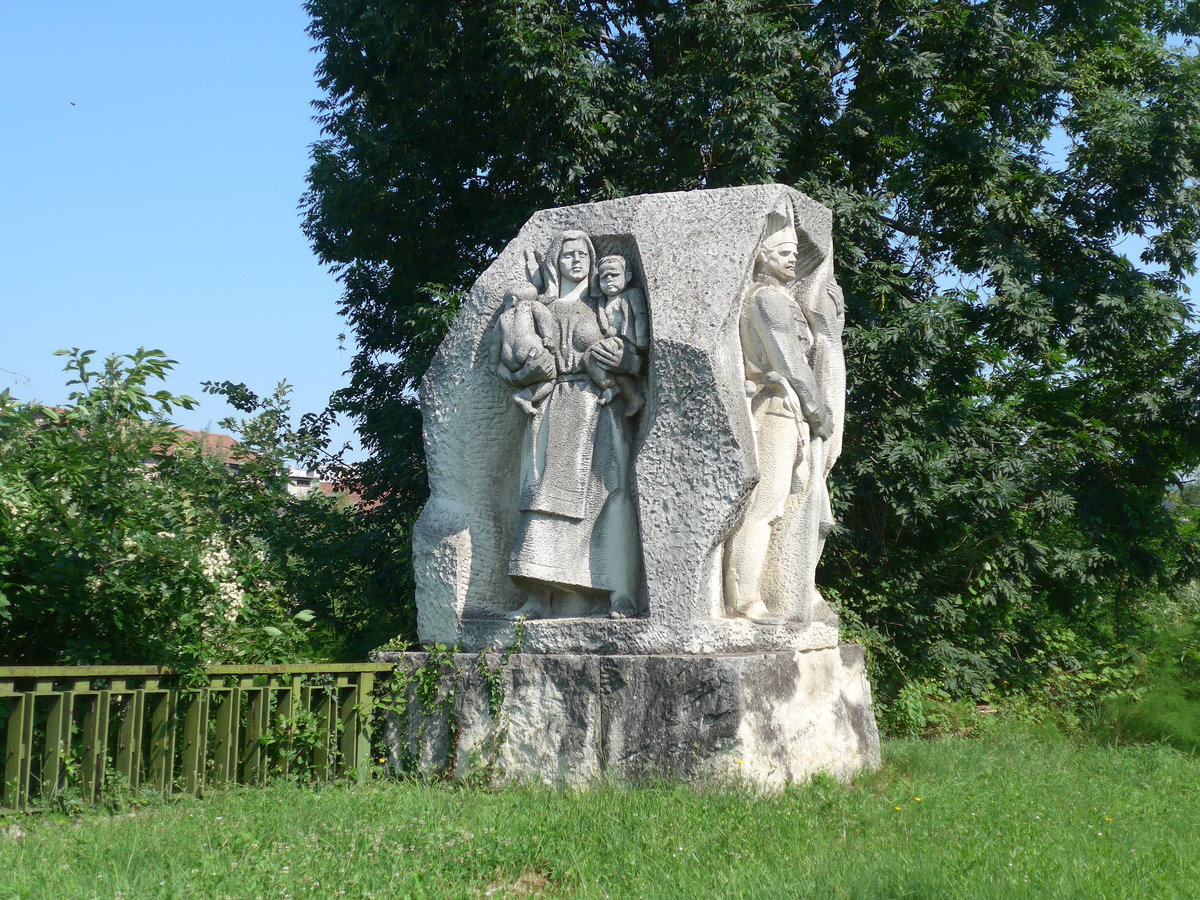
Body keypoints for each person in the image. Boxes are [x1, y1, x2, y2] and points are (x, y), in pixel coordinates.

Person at [494, 230, 647, 619]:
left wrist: (621, 359)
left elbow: (635, 357)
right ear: (553, 262)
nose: (576, 261)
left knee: (610, 494)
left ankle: (621, 592)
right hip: (550, 407)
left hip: (599, 408)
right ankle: (538, 595)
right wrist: (526, 375)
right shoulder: (535, 308)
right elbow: (507, 365)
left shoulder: (605, 306)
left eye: (583, 254)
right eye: (568, 255)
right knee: (541, 496)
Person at [723, 203, 836, 623]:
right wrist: (816, 407)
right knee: (765, 505)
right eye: (783, 251)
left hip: (785, 407)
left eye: (794, 252)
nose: (793, 258)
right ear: (761, 255)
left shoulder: (781, 298)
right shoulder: (768, 298)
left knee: (777, 506)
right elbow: (788, 360)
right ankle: (744, 599)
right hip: (774, 407)